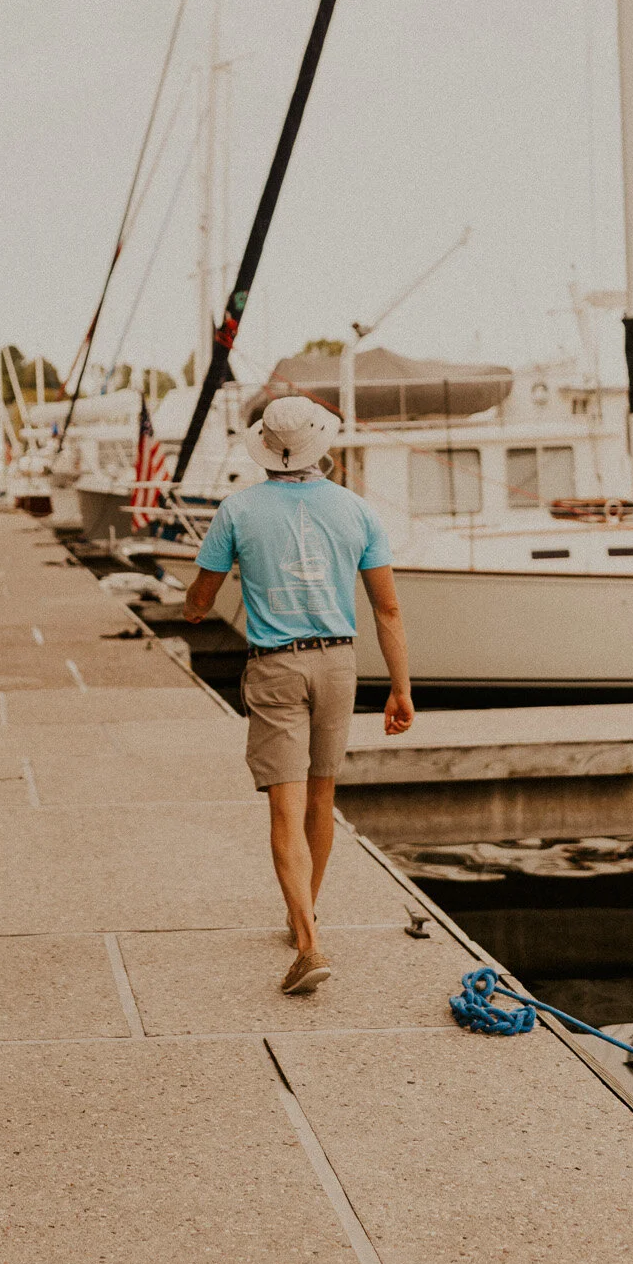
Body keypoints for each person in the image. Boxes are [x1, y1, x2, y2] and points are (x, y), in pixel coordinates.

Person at [182, 394, 413, 995]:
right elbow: (387, 609)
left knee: (284, 807)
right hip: (339, 663)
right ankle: (301, 916)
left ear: (267, 448)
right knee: (321, 797)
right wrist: (401, 689)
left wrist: (197, 604)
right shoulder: (356, 510)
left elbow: (198, 603)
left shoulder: (236, 511)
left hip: (276, 667)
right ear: (321, 446)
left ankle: (308, 943)